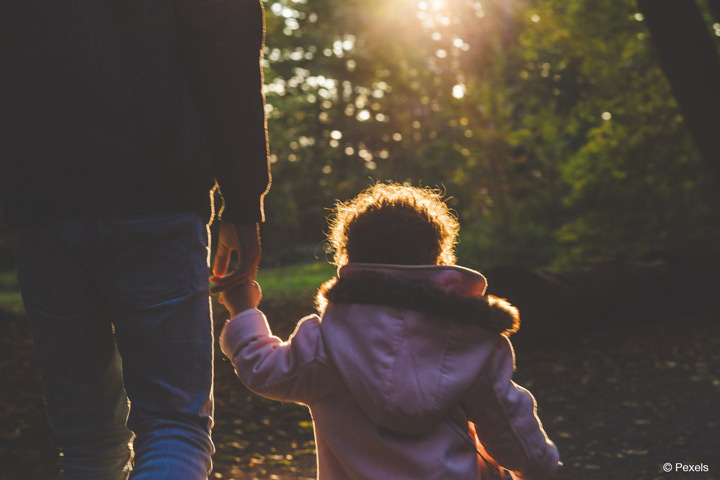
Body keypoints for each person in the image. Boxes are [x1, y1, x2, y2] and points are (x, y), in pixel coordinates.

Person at [1, 0, 270, 479]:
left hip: (40, 207)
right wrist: (243, 202)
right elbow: (225, 52)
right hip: (156, 192)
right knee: (174, 425)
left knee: (86, 443)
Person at [217, 183, 560, 480]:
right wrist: (536, 469)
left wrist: (244, 310)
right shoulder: (471, 339)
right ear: (438, 257)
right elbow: (507, 424)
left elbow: (263, 368)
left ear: (349, 259)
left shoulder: (323, 343)